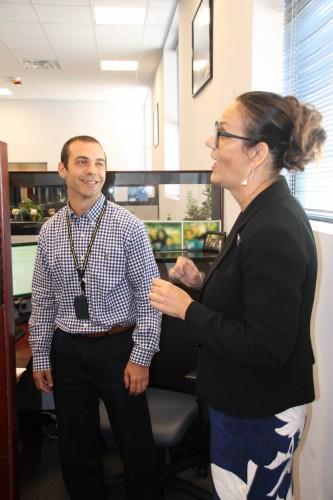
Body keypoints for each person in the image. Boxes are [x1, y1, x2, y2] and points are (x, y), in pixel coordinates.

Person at [149, 91, 326, 499]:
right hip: (244, 404)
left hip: (258, 412)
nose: (210, 143)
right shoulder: (258, 212)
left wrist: (188, 309)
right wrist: (200, 284)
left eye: (221, 134)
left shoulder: (274, 226)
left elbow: (267, 346)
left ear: (257, 152)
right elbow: (251, 301)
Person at [29, 135, 162, 500]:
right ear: (63, 170)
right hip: (68, 350)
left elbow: (149, 298)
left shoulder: (128, 226)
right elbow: (43, 298)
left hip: (119, 348)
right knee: (76, 447)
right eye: (83, 162)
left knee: (134, 445)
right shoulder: (50, 232)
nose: (93, 171)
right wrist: (41, 353)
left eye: (100, 163)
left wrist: (141, 356)